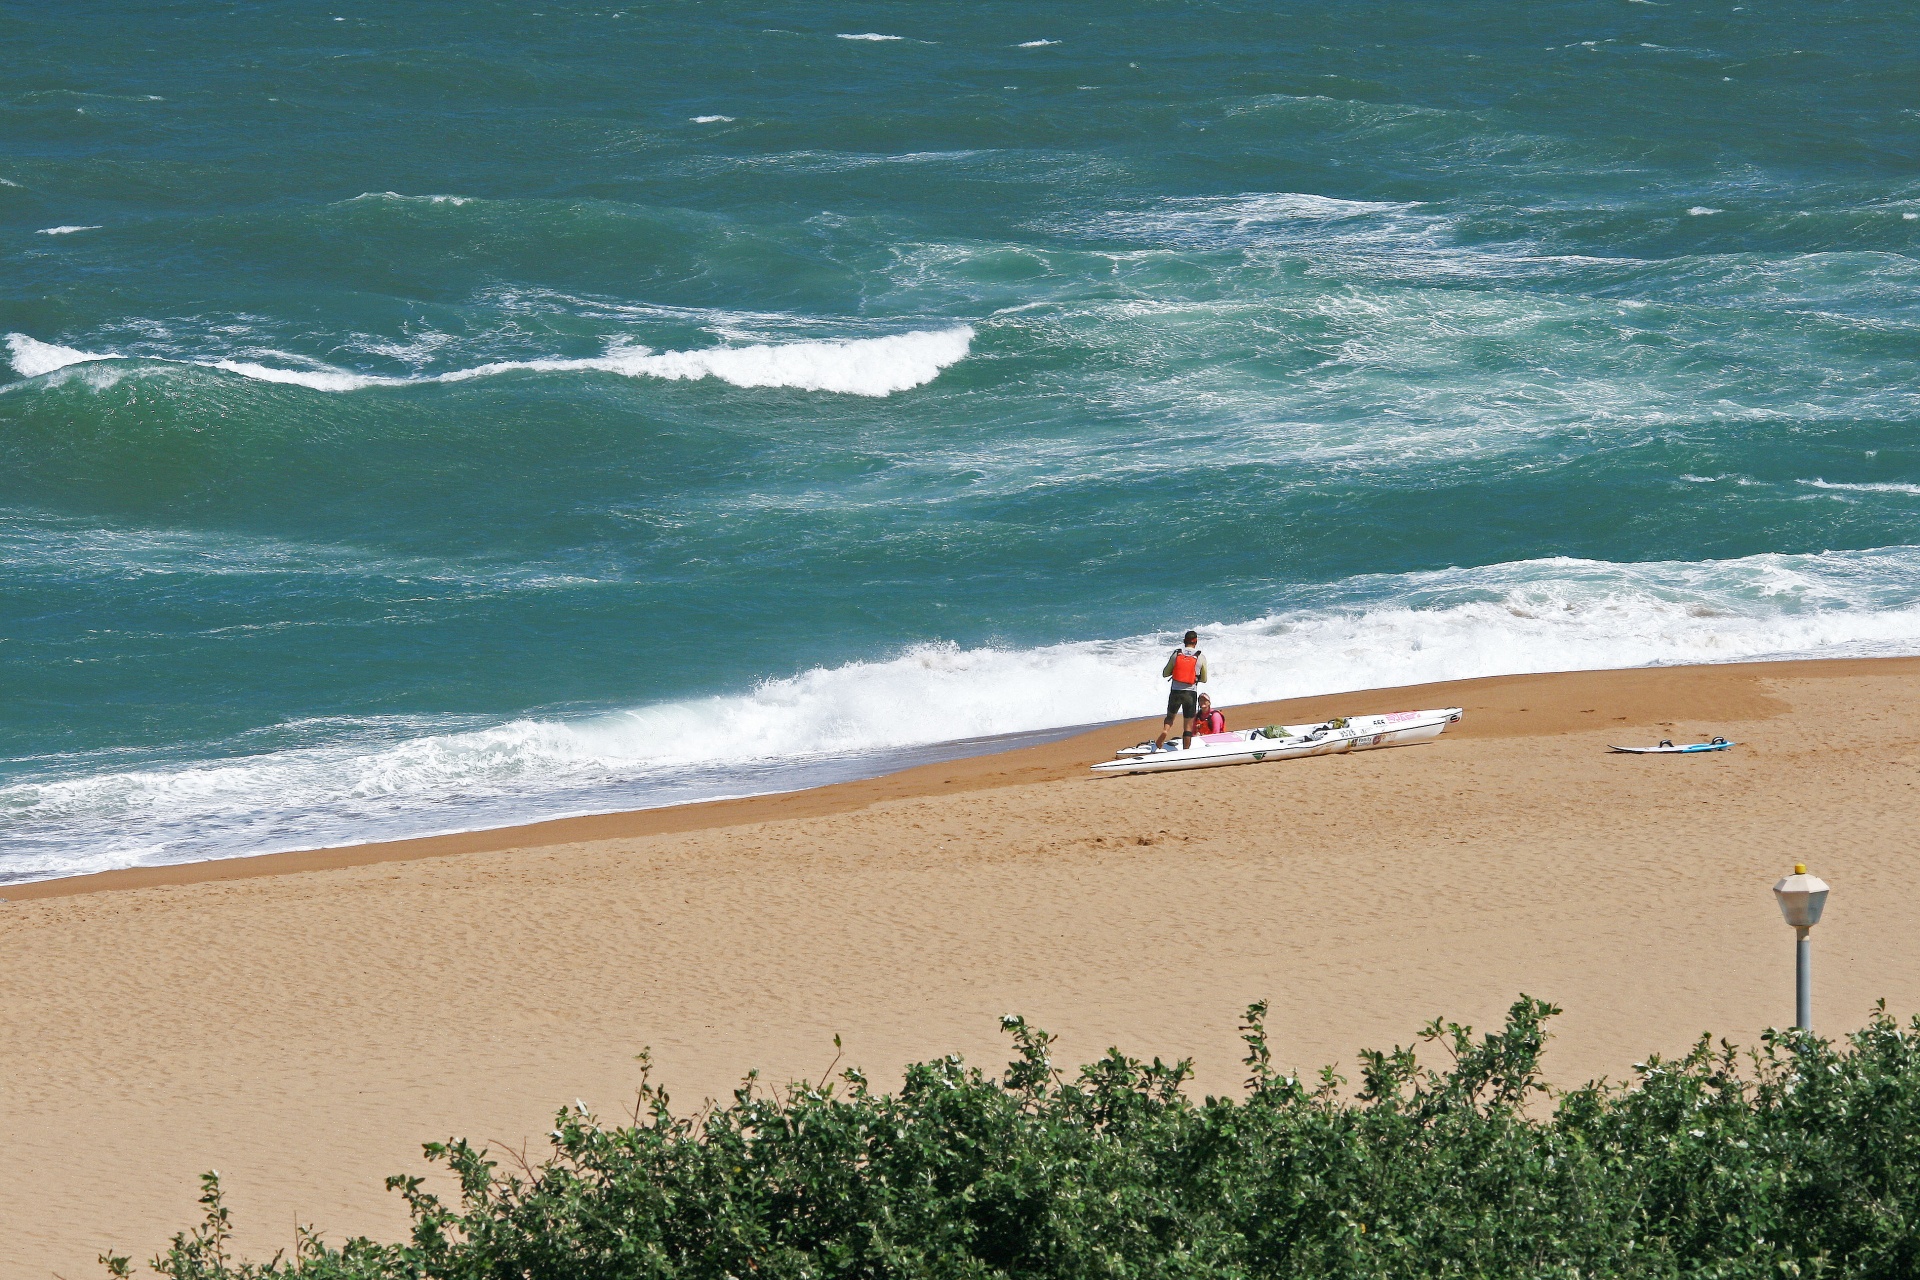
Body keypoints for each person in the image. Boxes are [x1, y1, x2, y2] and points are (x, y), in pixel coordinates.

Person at [1154, 630, 1209, 749]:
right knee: (1188, 726)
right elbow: (1204, 679)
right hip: (1190, 693)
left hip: (1176, 691)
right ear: (1196, 641)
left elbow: (1165, 673)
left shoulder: (1177, 654)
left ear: (1184, 641)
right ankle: (1186, 751)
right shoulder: (1200, 656)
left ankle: (1165, 731)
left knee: (1170, 717)